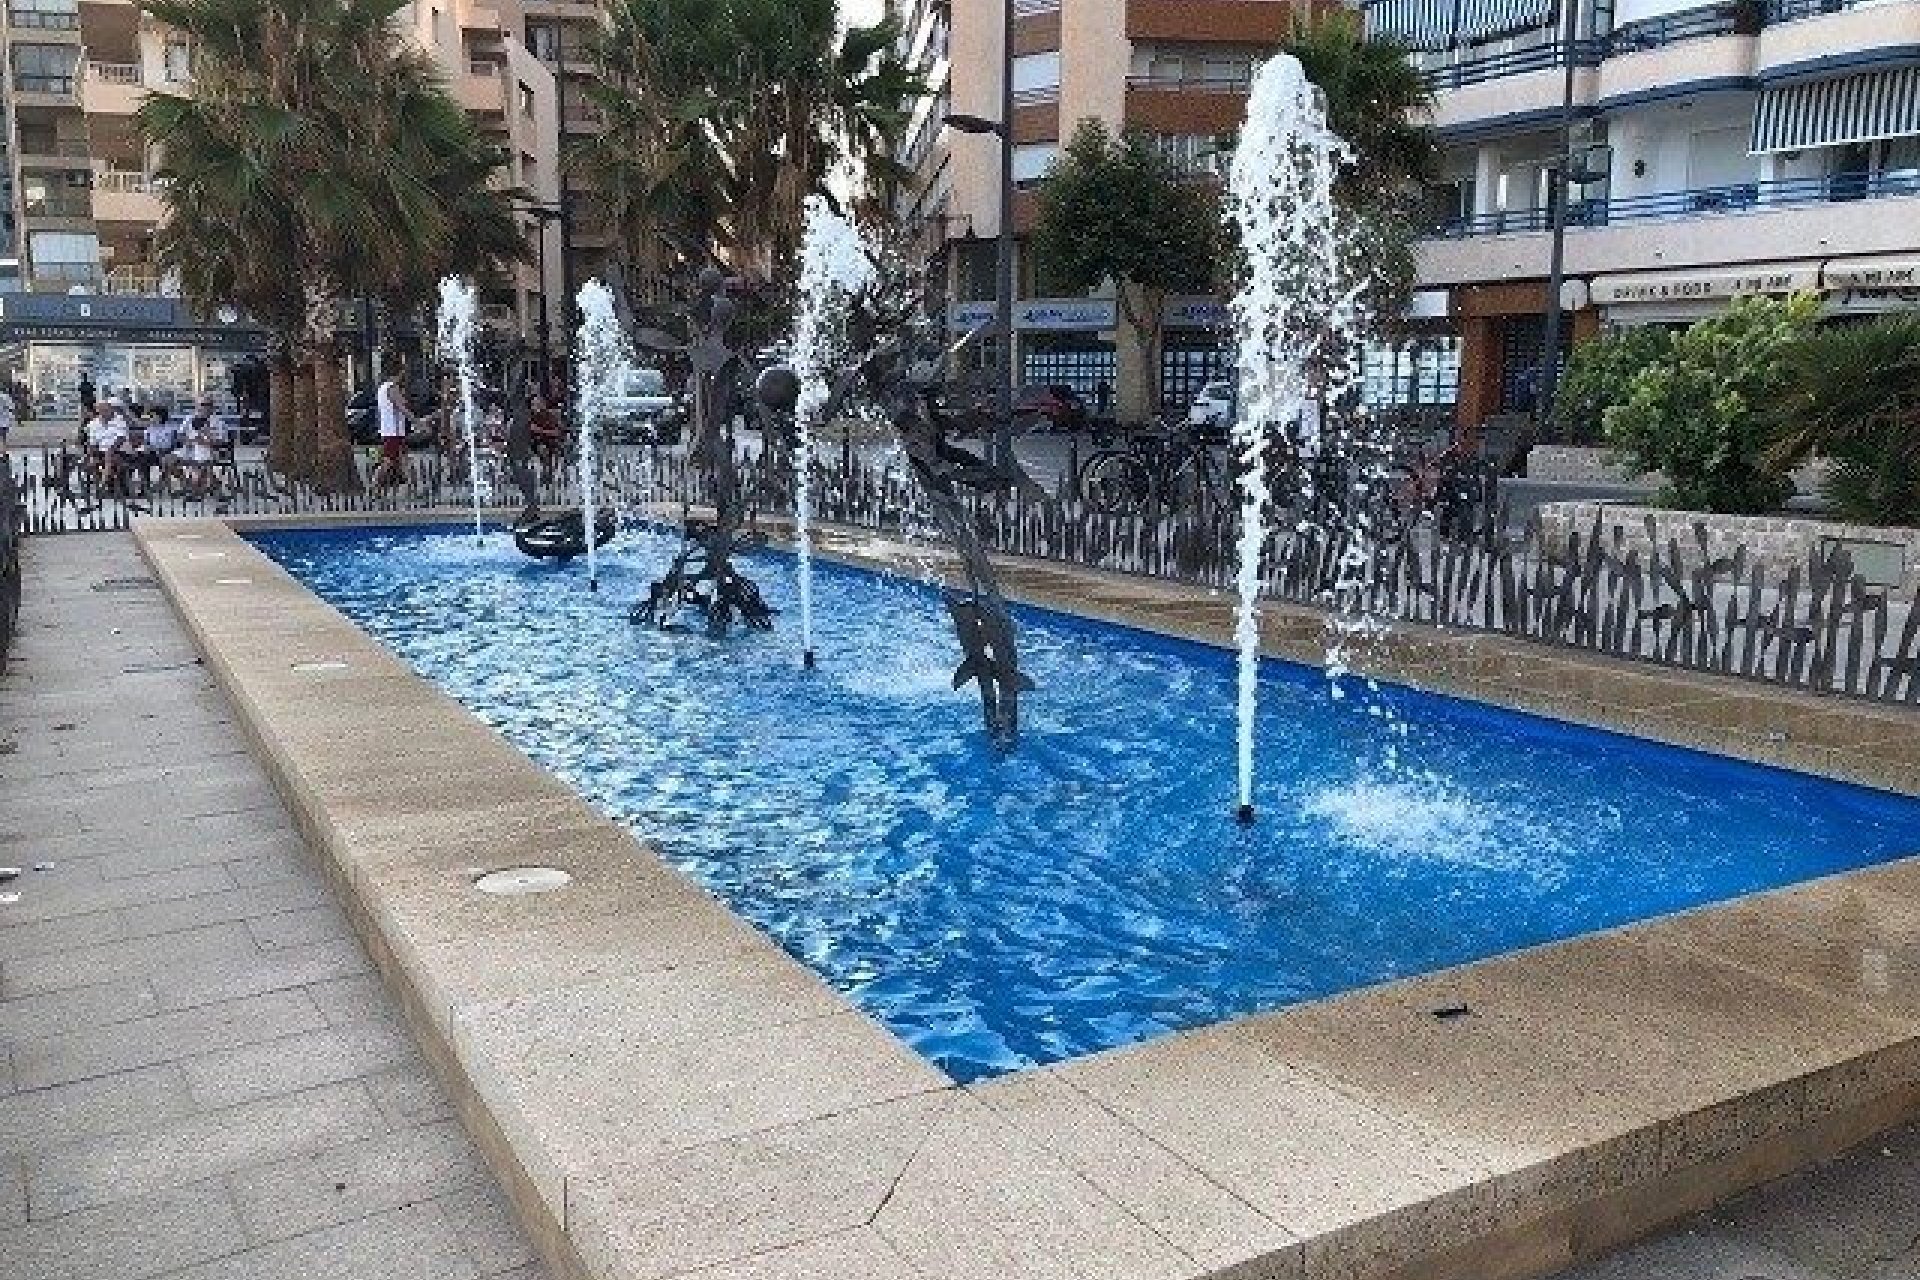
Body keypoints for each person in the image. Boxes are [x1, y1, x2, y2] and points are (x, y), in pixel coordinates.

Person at [371, 356, 414, 490]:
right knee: (388, 461)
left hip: (392, 430)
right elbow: (403, 408)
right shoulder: (392, 388)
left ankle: (412, 489)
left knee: (404, 460)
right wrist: (417, 422)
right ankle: (373, 487)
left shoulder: (383, 388)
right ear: (400, 371)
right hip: (393, 432)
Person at [529, 393, 563, 483]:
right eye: (533, 404)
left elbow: (557, 432)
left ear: (543, 404)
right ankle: (545, 471)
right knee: (542, 449)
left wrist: (541, 430)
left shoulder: (550, 416)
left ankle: (550, 473)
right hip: (535, 443)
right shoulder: (529, 417)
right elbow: (529, 431)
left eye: (537, 404)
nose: (535, 406)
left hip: (551, 442)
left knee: (551, 451)